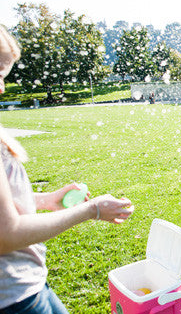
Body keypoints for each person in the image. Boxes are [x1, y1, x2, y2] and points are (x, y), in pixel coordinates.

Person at [0, 25, 134, 313]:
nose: (1, 87)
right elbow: (6, 234)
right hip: (14, 300)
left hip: (26, 286)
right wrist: (92, 210)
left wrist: (46, 199)